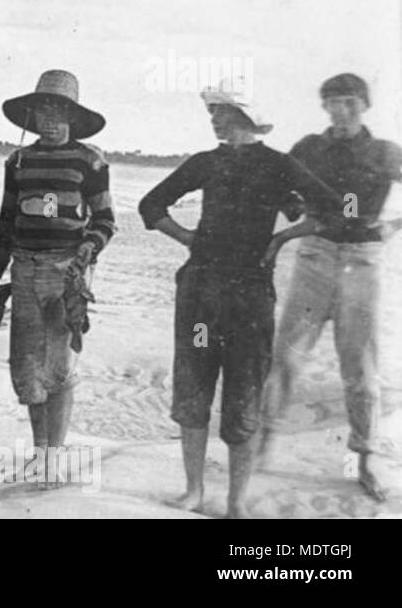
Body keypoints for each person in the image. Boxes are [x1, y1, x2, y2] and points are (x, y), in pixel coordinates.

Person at [139, 81, 340, 518]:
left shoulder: (280, 164)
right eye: (212, 112)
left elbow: (340, 206)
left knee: (244, 394)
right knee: (194, 386)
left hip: (250, 299)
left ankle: (236, 501)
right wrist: (187, 237)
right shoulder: (205, 163)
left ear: (246, 118)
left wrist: (283, 237)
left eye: (223, 112)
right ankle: (193, 491)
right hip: (200, 297)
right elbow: (150, 205)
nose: (214, 118)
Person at [260, 73, 402, 502]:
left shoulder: (384, 152)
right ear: (324, 106)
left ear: (365, 105)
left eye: (350, 103)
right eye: (333, 103)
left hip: (363, 262)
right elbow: (275, 185)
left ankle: (366, 457)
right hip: (315, 258)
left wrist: (394, 224)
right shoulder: (309, 147)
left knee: (360, 367)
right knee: (286, 355)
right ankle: (262, 443)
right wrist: (300, 212)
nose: (340, 111)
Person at [0, 70, 115, 478]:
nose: (50, 118)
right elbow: (5, 223)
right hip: (23, 268)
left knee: (58, 366)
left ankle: (54, 457)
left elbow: (106, 218)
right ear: (31, 114)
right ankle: (40, 452)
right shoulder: (18, 161)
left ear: (73, 115)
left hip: (65, 271)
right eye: (43, 109)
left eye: (59, 110)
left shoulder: (89, 160)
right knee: (24, 368)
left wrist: (88, 247)